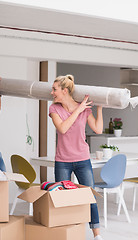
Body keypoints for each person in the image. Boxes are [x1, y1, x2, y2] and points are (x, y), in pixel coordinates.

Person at [49, 74, 104, 240]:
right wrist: (78, 110)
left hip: (82, 159)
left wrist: (100, 108)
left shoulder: (85, 108)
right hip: (62, 161)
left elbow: (98, 129)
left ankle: (96, 235)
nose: (52, 92)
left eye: (54, 89)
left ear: (65, 91)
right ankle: (65, 233)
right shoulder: (54, 109)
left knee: (90, 196)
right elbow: (63, 129)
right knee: (62, 199)